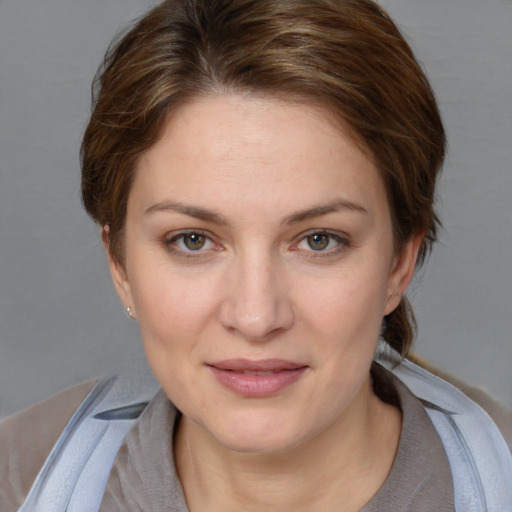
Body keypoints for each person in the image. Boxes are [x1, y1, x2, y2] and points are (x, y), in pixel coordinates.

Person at [1, 0, 511, 510]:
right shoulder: (16, 479)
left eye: (319, 240)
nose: (255, 316)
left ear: (399, 263)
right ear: (120, 264)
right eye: (193, 240)